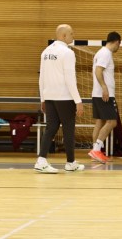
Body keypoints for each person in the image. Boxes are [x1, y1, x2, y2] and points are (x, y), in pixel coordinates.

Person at [34, 24, 85, 174]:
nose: (73, 36)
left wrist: (42, 98)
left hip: (49, 97)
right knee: (68, 129)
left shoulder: (46, 52)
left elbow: (41, 77)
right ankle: (70, 163)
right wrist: (78, 101)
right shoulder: (67, 53)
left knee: (51, 128)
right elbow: (70, 79)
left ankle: (41, 160)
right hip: (64, 98)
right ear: (64, 36)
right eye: (71, 33)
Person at [88, 31, 121, 164]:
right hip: (104, 94)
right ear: (117, 42)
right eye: (119, 44)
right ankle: (96, 150)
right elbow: (98, 71)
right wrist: (104, 87)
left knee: (100, 122)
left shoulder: (100, 52)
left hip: (97, 93)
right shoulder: (106, 53)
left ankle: (95, 152)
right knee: (112, 122)